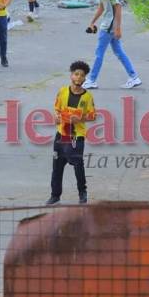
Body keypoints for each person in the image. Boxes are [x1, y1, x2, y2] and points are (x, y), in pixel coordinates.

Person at [82, 0, 142, 90]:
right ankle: (134, 76)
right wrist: (92, 22)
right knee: (119, 52)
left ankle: (92, 80)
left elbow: (118, 7)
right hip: (108, 24)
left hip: (109, 26)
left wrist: (117, 28)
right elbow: (102, 7)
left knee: (99, 53)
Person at [47, 60, 96, 205]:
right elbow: (56, 109)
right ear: (71, 76)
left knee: (78, 165)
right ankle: (55, 195)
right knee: (57, 167)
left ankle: (82, 193)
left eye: (82, 75)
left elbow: (93, 116)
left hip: (76, 137)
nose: (79, 77)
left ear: (85, 78)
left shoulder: (87, 97)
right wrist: (56, 117)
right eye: (76, 74)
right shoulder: (62, 91)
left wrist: (80, 118)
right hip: (61, 135)